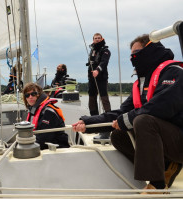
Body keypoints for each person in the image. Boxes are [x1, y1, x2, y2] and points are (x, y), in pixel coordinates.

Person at [73, 34, 183, 194]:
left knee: (142, 121)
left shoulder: (174, 72)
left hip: (179, 140)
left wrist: (129, 119)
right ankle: (165, 167)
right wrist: (88, 123)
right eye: (131, 54)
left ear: (150, 50)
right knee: (118, 136)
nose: (133, 58)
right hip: (167, 141)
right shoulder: (141, 84)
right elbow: (120, 112)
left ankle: (157, 186)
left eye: (136, 53)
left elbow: (164, 105)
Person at [23, 83, 70, 150]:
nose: (30, 97)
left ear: (38, 94)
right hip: (44, 147)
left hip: (57, 150)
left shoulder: (48, 112)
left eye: (33, 94)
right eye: (27, 95)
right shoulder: (33, 110)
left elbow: (43, 139)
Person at [86, 33, 111, 143]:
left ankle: (108, 125)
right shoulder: (92, 50)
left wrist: (97, 70)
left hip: (101, 78)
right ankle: (94, 122)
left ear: (102, 39)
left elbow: (104, 62)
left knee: (104, 99)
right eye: (95, 38)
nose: (96, 40)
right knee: (91, 99)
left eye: (98, 38)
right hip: (92, 79)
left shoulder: (105, 50)